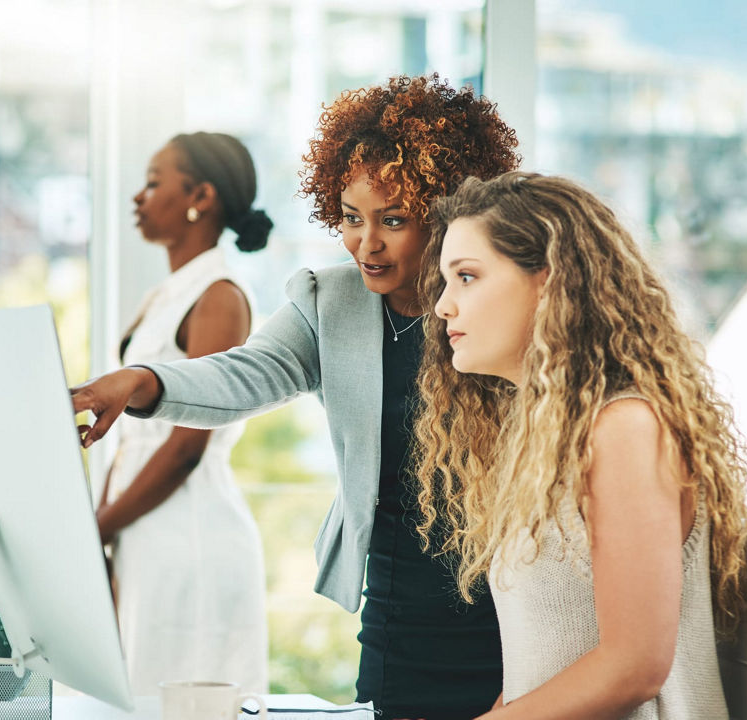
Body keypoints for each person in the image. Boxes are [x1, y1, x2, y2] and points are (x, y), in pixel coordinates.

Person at [72, 74, 519, 719]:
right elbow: (246, 373)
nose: (366, 243)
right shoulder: (329, 301)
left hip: (507, 609)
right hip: (397, 607)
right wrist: (146, 381)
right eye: (350, 217)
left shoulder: (496, 306)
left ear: (452, 215)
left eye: (392, 220)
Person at [412, 172, 747, 718]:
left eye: (467, 277)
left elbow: (634, 665)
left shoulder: (623, 427)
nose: (443, 307)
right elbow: (538, 674)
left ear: (549, 283)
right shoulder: (541, 437)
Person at [97, 131, 274, 695]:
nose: (138, 198)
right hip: (147, 529)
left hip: (188, 538)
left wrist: (97, 528)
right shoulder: (173, 291)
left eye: (153, 182)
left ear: (201, 194)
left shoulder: (218, 294)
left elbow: (186, 445)